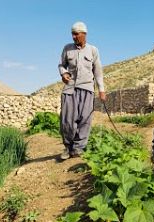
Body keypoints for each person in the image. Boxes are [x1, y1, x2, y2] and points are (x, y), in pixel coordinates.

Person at [58, 21, 106, 160]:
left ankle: (79, 148)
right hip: (70, 89)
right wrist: (63, 73)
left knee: (85, 119)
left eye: (76, 34)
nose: (73, 37)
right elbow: (61, 64)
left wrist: (101, 90)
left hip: (87, 89)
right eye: (72, 34)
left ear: (84, 34)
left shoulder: (93, 50)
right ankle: (68, 147)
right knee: (67, 120)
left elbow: (98, 71)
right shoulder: (67, 49)